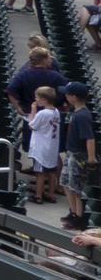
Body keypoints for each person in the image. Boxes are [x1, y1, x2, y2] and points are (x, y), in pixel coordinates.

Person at [67, 83, 97, 230]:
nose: (65, 96)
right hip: (72, 152)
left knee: (76, 188)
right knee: (67, 183)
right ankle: (73, 213)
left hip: (79, 155)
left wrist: (91, 158)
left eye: (67, 94)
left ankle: (78, 218)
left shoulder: (82, 115)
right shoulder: (77, 112)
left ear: (74, 97)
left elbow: (89, 138)